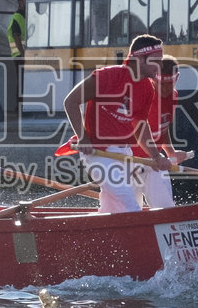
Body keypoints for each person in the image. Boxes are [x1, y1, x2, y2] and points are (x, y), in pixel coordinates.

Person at [62, 35, 171, 213]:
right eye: (156, 61)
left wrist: (155, 156)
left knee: (121, 202)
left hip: (123, 153)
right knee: (128, 202)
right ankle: (142, 230)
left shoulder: (147, 88)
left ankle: (102, 233)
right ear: (139, 59)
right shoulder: (107, 76)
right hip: (98, 154)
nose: (161, 65)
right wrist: (83, 138)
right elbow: (70, 102)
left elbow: (140, 125)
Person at [132, 55, 184, 209]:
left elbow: (163, 127)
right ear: (153, 78)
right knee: (129, 211)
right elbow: (137, 129)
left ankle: (167, 227)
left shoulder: (173, 96)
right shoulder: (142, 94)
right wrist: (154, 155)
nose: (166, 89)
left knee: (166, 207)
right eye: (161, 83)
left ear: (177, 78)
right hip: (129, 160)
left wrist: (171, 153)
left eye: (170, 83)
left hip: (155, 160)